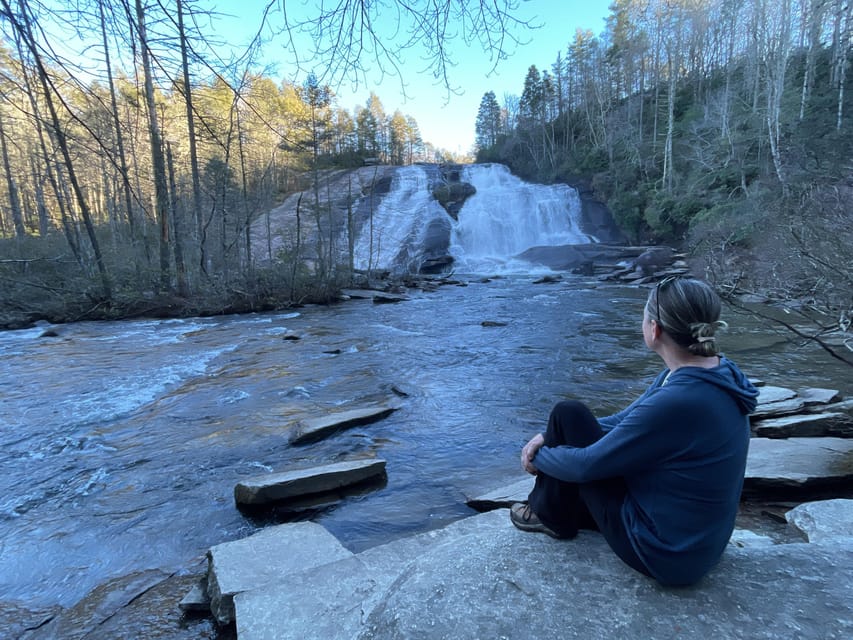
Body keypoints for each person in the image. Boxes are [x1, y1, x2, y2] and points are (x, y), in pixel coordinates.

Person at [511, 276, 759, 586]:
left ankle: (549, 515)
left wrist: (539, 455)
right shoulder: (709, 370)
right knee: (569, 416)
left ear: (654, 329)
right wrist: (547, 436)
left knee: (567, 419)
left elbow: (586, 465)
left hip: (665, 552)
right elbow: (623, 421)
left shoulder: (681, 399)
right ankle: (556, 509)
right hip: (695, 539)